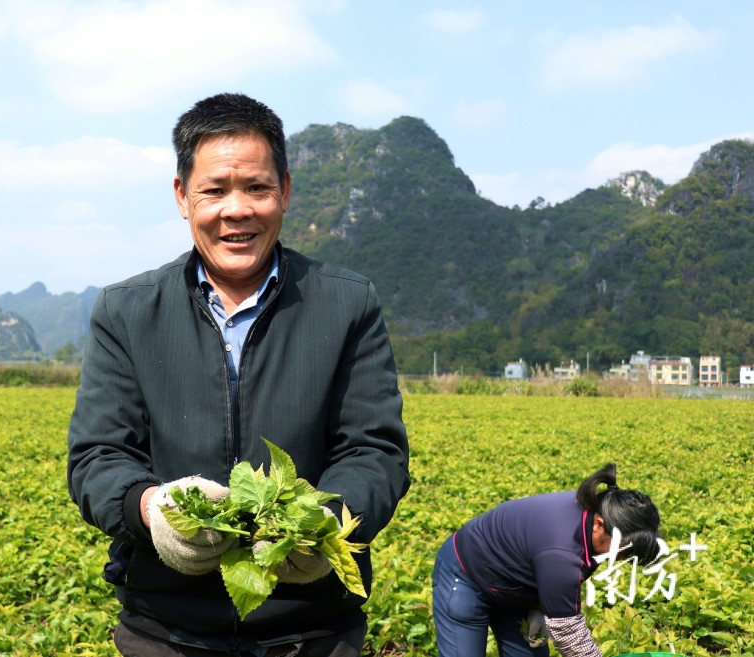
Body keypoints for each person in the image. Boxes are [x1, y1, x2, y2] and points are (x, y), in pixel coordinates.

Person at [67, 92, 411, 657]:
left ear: (286, 192)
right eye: (214, 190)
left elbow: (374, 451)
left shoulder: (346, 304)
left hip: (312, 629)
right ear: (183, 197)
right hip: (165, 629)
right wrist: (150, 508)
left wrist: (322, 524)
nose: (237, 209)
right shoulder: (128, 311)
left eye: (256, 188)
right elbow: (99, 454)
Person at [431, 463, 661, 657]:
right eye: (621, 549)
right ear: (600, 525)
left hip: (514, 585)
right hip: (465, 575)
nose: (619, 558)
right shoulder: (562, 550)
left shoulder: (602, 515)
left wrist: (540, 607)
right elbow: (568, 632)